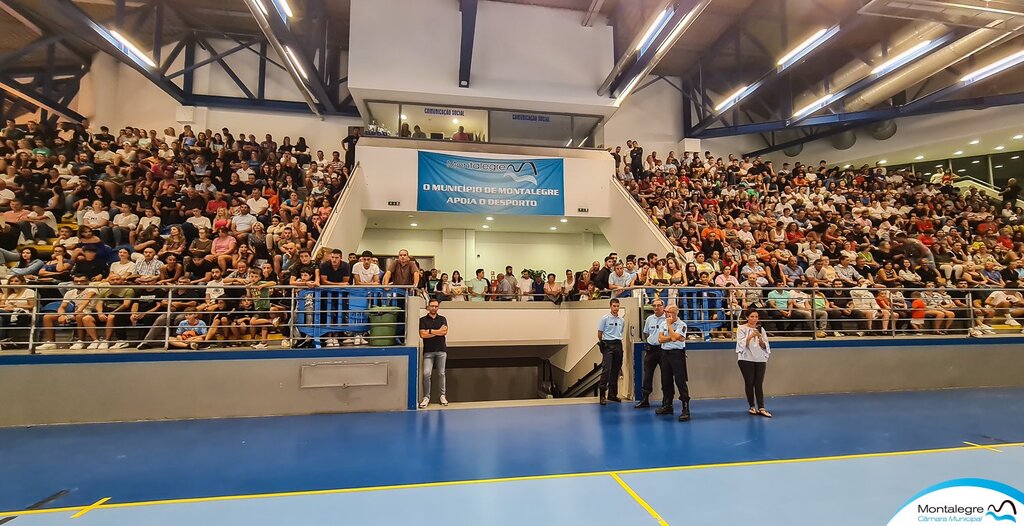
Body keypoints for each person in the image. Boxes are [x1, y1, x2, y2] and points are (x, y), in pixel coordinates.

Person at [656, 304, 690, 421]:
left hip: (677, 354)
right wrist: (672, 336)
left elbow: (677, 338)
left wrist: (670, 327)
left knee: (680, 381)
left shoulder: (682, 325)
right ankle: (667, 405)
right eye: (665, 312)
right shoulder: (662, 324)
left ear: (675, 313)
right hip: (665, 353)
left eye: (668, 312)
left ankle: (685, 408)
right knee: (666, 381)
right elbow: (660, 339)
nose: (666, 314)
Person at [736, 309, 772, 417]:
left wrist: (760, 338)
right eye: (752, 316)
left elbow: (765, 345)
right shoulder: (741, 328)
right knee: (749, 382)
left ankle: (761, 407)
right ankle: (752, 406)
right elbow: (742, 343)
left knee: (758, 383)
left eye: (756, 317)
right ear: (747, 317)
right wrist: (752, 335)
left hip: (760, 358)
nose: (754, 319)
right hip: (746, 358)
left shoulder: (761, 329)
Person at [634, 298, 665, 409]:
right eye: (654, 306)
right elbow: (646, 333)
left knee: (665, 375)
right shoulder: (649, 319)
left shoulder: (667, 319)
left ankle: (666, 400)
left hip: (663, 350)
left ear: (663, 307)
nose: (656, 308)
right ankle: (645, 399)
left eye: (658, 306)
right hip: (651, 350)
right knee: (647, 375)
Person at [418, 299, 448, 408]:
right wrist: (436, 332)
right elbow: (422, 335)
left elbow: (444, 332)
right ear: (428, 307)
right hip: (428, 351)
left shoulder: (442, 319)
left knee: (441, 373)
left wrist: (429, 331)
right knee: (426, 374)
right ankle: (426, 397)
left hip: (441, 350)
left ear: (438, 307)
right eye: (432, 306)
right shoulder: (422, 320)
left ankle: (442, 396)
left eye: (436, 306)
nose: (434, 308)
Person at [597, 298, 625, 405]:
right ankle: (602, 394)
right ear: (610, 306)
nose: (616, 308)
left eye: (617, 306)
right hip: (608, 344)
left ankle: (613, 394)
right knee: (606, 369)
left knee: (616, 370)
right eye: (614, 306)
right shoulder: (605, 319)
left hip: (618, 344)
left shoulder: (621, 320)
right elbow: (599, 333)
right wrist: (603, 344)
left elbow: (620, 332)